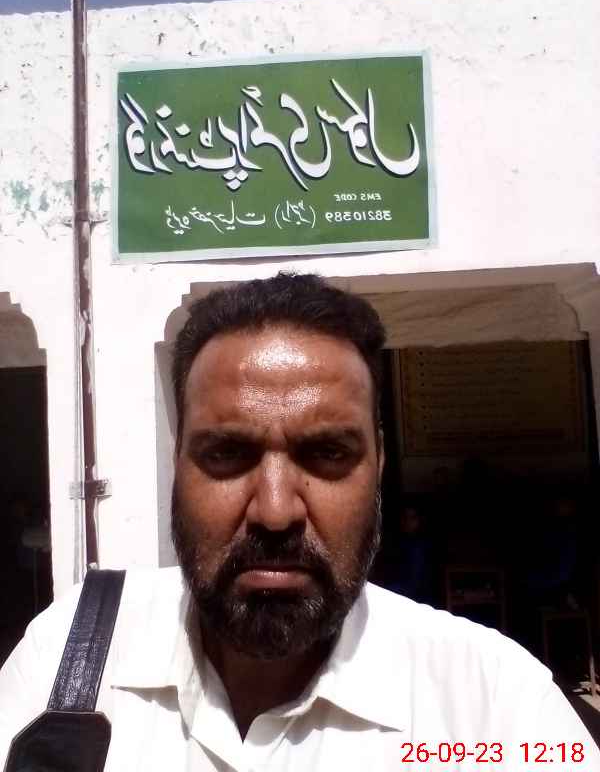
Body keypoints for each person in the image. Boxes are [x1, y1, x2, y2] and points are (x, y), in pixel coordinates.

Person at [0, 273, 598, 770]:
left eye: (328, 454)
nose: (276, 511)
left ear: (380, 466)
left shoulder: (494, 707)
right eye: (227, 454)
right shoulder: (73, 657)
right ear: (175, 462)